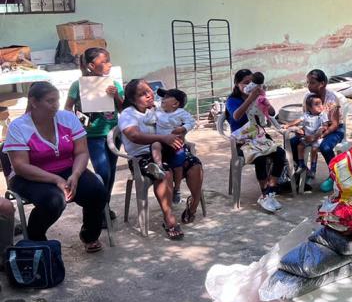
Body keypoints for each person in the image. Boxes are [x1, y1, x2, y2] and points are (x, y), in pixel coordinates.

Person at [3, 81, 107, 252]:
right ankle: (36, 237)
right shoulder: (18, 127)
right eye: (49, 101)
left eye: (57, 100)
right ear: (34, 102)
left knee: (96, 191)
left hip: (67, 168)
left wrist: (76, 174)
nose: (55, 105)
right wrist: (56, 180)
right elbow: (21, 166)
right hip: (29, 176)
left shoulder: (68, 118)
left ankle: (89, 234)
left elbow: (81, 152)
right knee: (53, 201)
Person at [119, 80, 204, 238]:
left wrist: (181, 131)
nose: (149, 95)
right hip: (141, 157)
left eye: (149, 90)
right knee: (164, 173)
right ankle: (169, 219)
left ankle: (193, 206)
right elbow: (134, 135)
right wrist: (163, 138)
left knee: (194, 165)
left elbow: (178, 116)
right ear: (132, 99)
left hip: (167, 150)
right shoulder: (128, 114)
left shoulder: (157, 108)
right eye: (142, 94)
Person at [64, 47, 124, 219]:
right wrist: (78, 124)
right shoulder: (79, 85)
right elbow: (68, 107)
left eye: (108, 60)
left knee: (111, 171)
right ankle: (100, 208)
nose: (108, 65)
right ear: (91, 65)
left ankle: (104, 206)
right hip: (91, 135)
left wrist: (116, 96)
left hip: (113, 133)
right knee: (102, 171)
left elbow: (122, 108)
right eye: (103, 62)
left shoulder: (113, 84)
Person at [225, 69, 288, 212]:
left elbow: (271, 113)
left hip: (259, 136)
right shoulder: (232, 100)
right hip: (242, 140)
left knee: (279, 153)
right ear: (236, 84)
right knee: (260, 157)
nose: (249, 86)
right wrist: (250, 98)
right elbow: (236, 116)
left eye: (252, 83)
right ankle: (265, 195)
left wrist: (263, 99)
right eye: (245, 83)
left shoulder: (258, 96)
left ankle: (269, 193)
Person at [289, 69, 345, 192]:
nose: (309, 86)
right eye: (308, 82)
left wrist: (318, 136)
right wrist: (302, 130)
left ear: (323, 83)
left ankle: (334, 176)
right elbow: (306, 119)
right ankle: (302, 169)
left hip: (333, 130)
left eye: (312, 83)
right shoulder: (308, 98)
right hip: (313, 129)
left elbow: (335, 124)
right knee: (292, 142)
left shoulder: (332, 99)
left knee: (325, 147)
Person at [153, 88, 198, 206]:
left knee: (178, 167)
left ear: (176, 103)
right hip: (161, 142)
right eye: (163, 97)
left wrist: (183, 128)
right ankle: (158, 167)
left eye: (166, 97)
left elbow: (191, 122)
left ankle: (177, 189)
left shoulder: (181, 113)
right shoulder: (158, 111)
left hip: (175, 144)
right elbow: (149, 118)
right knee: (155, 146)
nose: (163, 99)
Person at [283, 94, 329, 180]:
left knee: (314, 150)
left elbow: (325, 126)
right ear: (309, 108)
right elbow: (298, 120)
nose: (320, 106)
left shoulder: (322, 115)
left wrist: (316, 135)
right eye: (316, 104)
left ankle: (313, 169)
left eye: (321, 103)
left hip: (317, 137)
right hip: (307, 137)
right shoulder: (306, 115)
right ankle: (301, 165)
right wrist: (288, 125)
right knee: (300, 146)